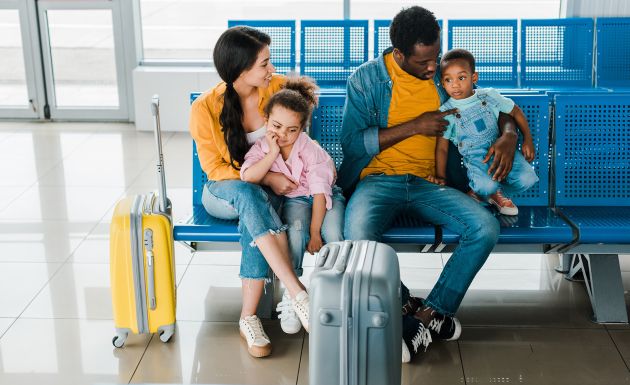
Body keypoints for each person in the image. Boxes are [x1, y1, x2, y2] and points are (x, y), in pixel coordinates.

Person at [338, 6, 519, 363]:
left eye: (435, 57)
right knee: (357, 236)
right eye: (423, 62)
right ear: (400, 54)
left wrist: (510, 134)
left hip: (430, 183)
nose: (434, 68)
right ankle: (404, 302)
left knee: (484, 226)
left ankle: (430, 313)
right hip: (379, 180)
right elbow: (352, 143)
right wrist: (415, 126)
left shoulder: (443, 73)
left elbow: (488, 105)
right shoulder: (367, 79)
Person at [189, 26, 309, 358]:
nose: (271, 69)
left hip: (257, 194)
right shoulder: (204, 108)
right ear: (242, 70)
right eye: (264, 63)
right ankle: (296, 290)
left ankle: (248, 317)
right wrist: (266, 178)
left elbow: (298, 138)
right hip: (221, 191)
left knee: (252, 209)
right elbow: (214, 169)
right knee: (248, 195)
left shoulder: (280, 89)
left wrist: (269, 176)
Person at [240, 76, 345, 334]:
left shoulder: (310, 150)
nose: (283, 135)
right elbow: (247, 176)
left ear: (302, 129)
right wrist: (273, 155)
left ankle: (334, 292)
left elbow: (320, 194)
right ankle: (293, 292)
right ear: (266, 120)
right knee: (295, 233)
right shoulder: (264, 147)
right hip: (296, 198)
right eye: (276, 126)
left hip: (326, 196)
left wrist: (316, 232)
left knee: (335, 235)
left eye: (292, 130)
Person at [431, 48, 539, 216]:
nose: (455, 85)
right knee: (486, 185)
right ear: (443, 83)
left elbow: (515, 111)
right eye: (448, 80)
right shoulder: (446, 112)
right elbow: (442, 148)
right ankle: (489, 192)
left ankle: (487, 193)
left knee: (528, 179)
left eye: (461, 78)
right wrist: (439, 175)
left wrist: (528, 139)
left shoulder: (489, 95)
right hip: (476, 158)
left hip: (502, 151)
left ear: (474, 77)